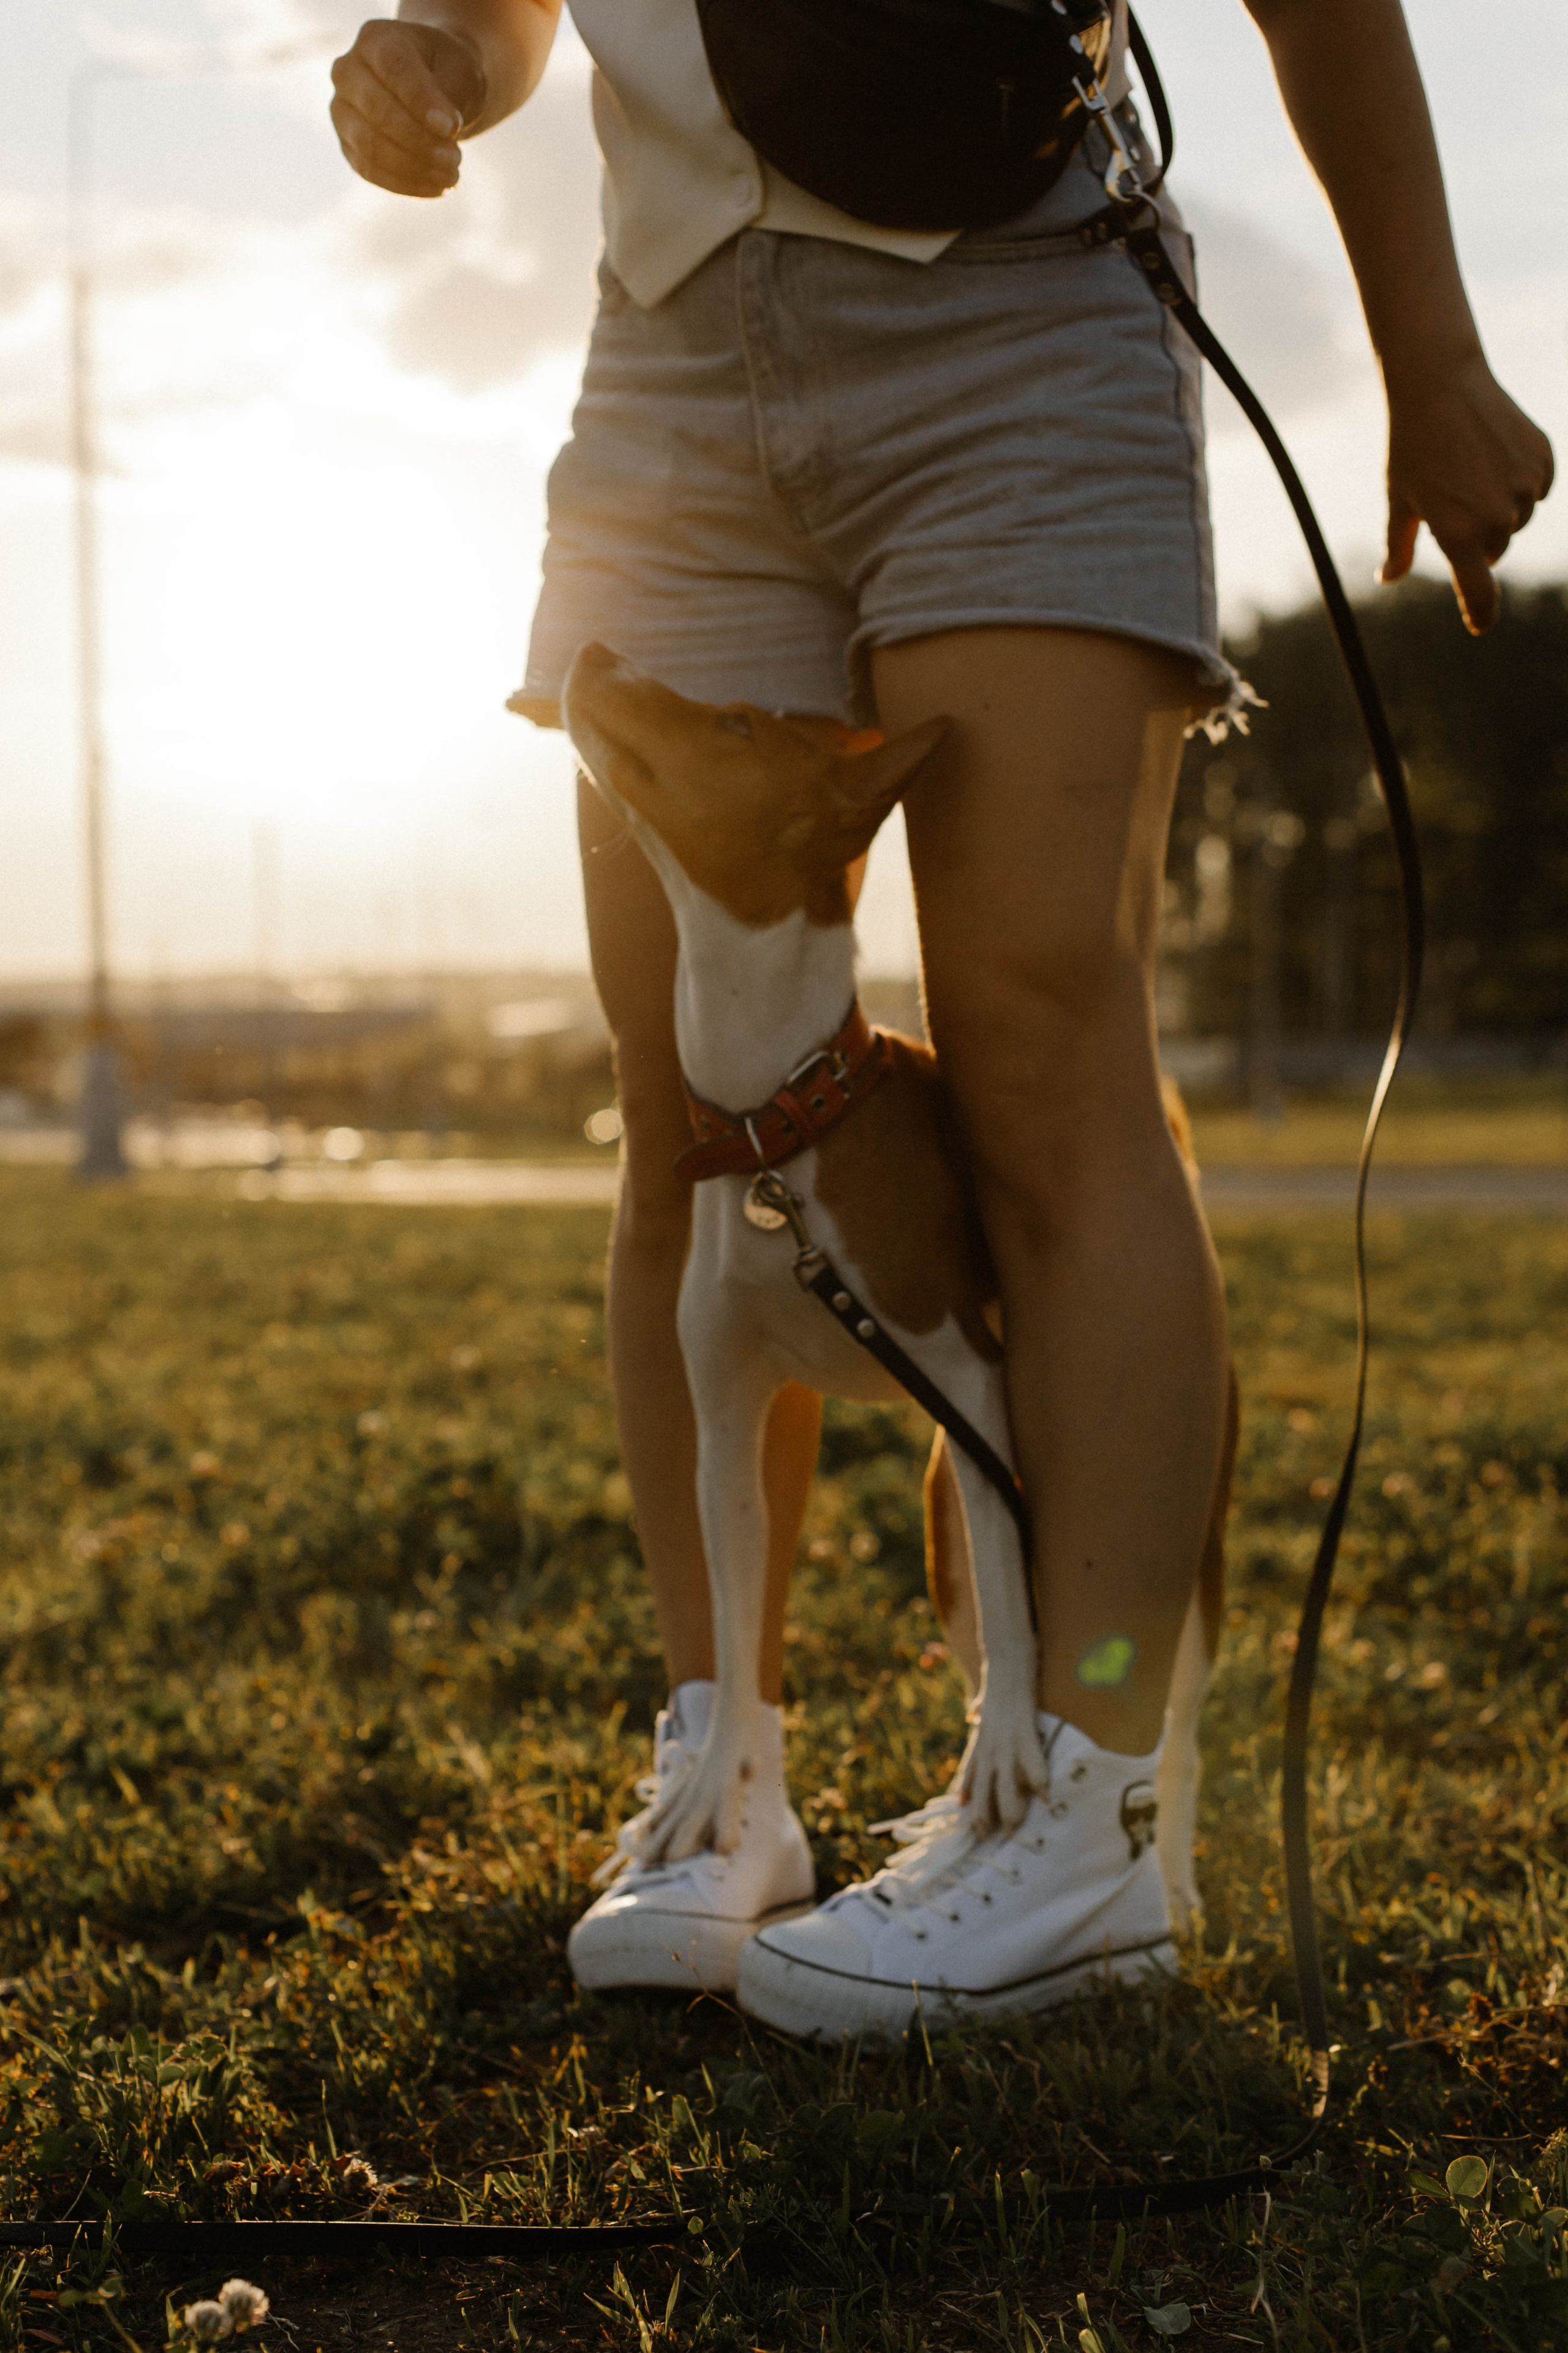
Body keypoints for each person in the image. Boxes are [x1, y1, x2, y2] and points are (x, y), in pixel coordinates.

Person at [331, 0, 1553, 2035]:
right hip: (665, 358)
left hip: (1016, 317)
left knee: (1045, 1060)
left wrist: (1426, 346)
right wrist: (448, 62)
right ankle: (725, 1778)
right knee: (686, 1111)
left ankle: (1083, 1800)